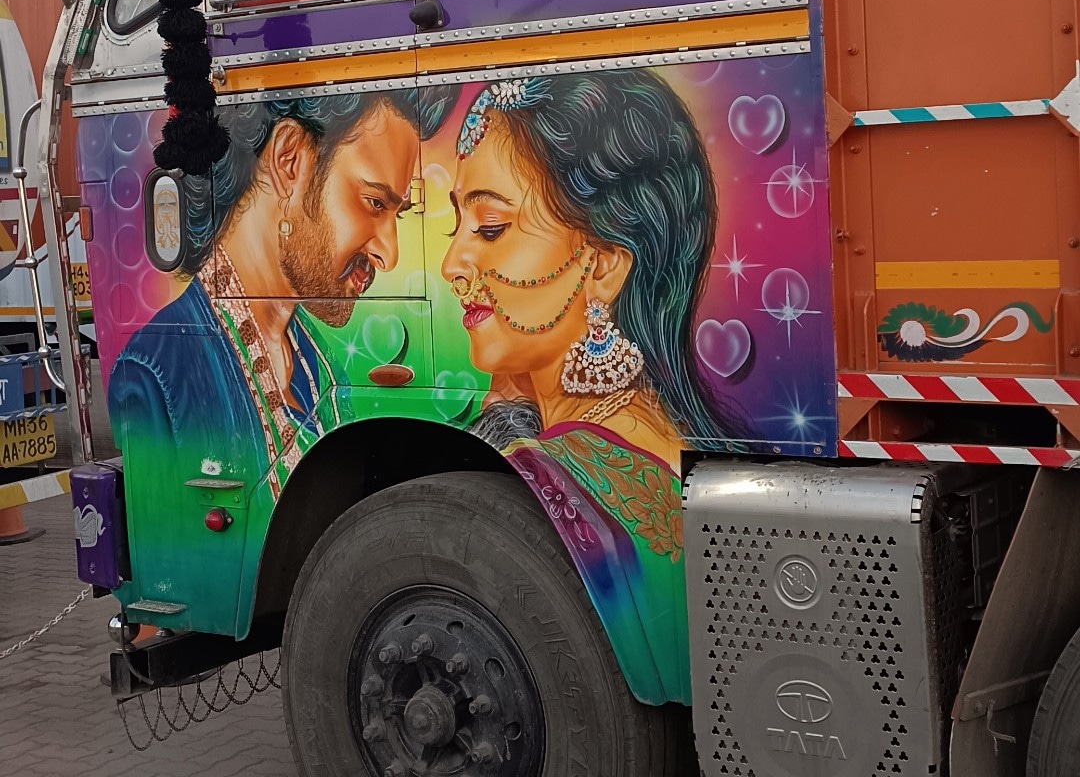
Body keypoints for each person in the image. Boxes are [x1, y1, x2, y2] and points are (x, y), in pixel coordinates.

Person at [109, 87, 459, 498]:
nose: (389, 255)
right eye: (374, 203)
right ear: (289, 160)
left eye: (396, 214)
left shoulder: (321, 365)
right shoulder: (154, 374)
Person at [441, 71, 743, 472]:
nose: (450, 266)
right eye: (456, 222)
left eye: (490, 227)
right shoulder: (580, 429)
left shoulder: (606, 462)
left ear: (603, 265)